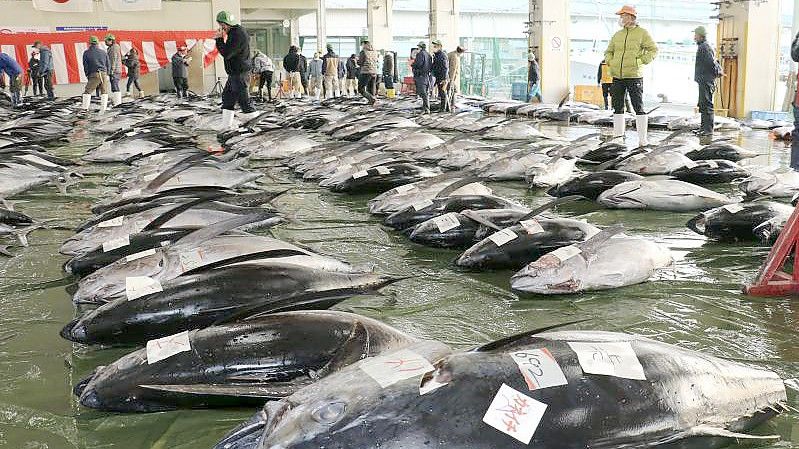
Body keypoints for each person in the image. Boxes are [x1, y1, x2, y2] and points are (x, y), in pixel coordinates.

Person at [604, 4, 658, 146]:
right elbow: (608, 51)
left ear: (631, 17)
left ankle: (642, 139)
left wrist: (640, 61)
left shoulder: (642, 33)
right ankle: (618, 138)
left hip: (634, 76)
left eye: (623, 16)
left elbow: (653, 50)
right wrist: (610, 61)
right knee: (617, 106)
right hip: (617, 76)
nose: (621, 19)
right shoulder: (617, 35)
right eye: (621, 16)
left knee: (638, 107)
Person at [215, 10, 255, 129]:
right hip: (234, 73)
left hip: (240, 73)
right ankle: (226, 126)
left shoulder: (238, 34)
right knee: (227, 99)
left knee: (244, 102)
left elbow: (227, 53)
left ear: (226, 24)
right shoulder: (234, 33)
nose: (221, 28)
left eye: (222, 25)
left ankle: (258, 128)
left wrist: (219, 39)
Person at [694, 26, 721, 144]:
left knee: (707, 105)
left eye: (695, 34)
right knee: (703, 105)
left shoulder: (705, 47)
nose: (694, 36)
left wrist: (715, 74)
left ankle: (708, 130)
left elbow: (711, 63)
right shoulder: (703, 46)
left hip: (706, 80)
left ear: (700, 35)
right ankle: (703, 128)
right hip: (704, 80)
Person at [81, 36, 110, 113]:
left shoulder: (86, 53)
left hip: (94, 74)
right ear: (97, 43)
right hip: (103, 74)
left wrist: (87, 74)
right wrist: (107, 73)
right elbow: (108, 64)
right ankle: (103, 109)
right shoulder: (103, 52)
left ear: (89, 43)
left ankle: (84, 110)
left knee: (87, 91)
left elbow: (85, 65)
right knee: (104, 91)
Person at [412, 41, 433, 114]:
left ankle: (426, 108)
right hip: (427, 76)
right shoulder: (429, 55)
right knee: (425, 93)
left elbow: (418, 64)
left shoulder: (420, 54)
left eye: (418, 47)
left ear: (420, 47)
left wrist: (413, 65)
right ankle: (426, 108)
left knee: (423, 93)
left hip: (421, 76)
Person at [357, 40, 379, 105]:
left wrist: (357, 61)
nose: (362, 46)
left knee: (360, 89)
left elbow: (361, 63)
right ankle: (372, 101)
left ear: (365, 45)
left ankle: (372, 99)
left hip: (366, 72)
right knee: (371, 88)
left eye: (363, 45)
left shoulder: (363, 52)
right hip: (374, 72)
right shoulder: (375, 52)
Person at [430, 39, 449, 112]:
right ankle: (446, 108)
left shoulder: (442, 55)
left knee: (442, 93)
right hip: (438, 77)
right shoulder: (436, 55)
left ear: (440, 47)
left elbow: (445, 68)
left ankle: (443, 109)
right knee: (441, 93)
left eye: (436, 46)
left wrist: (444, 79)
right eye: (434, 46)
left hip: (442, 78)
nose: (434, 47)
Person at [104, 34, 123, 106]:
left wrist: (111, 71)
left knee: (115, 86)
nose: (105, 43)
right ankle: (117, 102)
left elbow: (113, 60)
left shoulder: (114, 48)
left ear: (111, 40)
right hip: (115, 70)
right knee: (114, 86)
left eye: (106, 41)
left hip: (115, 71)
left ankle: (118, 104)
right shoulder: (112, 47)